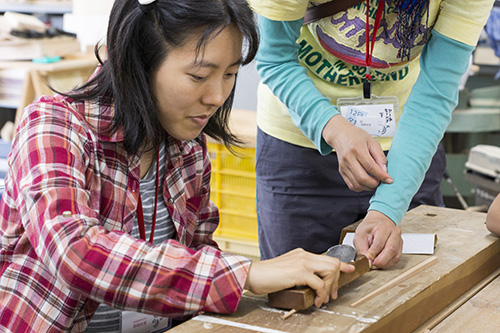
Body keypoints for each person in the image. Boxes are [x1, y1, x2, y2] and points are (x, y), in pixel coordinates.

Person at [0, 0, 355, 332]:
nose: (217, 96)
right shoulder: (52, 126)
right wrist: (245, 274)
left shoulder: (188, 146)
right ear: (138, 61)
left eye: (230, 74)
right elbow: (76, 252)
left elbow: (198, 254)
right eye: (200, 76)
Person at [248, 0, 495, 268]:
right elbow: (276, 59)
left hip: (408, 150)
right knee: (298, 288)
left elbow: (435, 94)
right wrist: (332, 126)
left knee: (414, 285)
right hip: (299, 148)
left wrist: (386, 211)